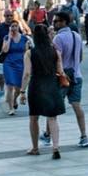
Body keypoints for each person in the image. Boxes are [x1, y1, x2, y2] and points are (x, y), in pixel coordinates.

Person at [20, 21, 66, 158]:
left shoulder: (29, 53)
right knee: (52, 118)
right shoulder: (55, 52)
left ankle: (35, 148)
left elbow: (27, 73)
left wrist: (22, 91)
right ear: (47, 36)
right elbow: (61, 71)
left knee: (34, 118)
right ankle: (56, 147)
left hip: (36, 86)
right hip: (52, 85)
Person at [50, 11, 88, 147]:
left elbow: (56, 60)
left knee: (53, 107)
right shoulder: (76, 36)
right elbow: (80, 57)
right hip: (77, 76)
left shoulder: (58, 39)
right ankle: (84, 135)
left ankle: (48, 134)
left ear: (64, 22)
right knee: (77, 106)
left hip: (62, 78)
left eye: (56, 21)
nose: (53, 23)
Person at [0, 14, 28, 115]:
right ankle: (11, 108)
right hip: (9, 64)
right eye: (12, 26)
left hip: (20, 64)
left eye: (16, 26)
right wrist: (10, 38)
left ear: (18, 27)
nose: (14, 28)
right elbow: (5, 50)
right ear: (10, 28)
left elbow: (26, 52)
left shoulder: (24, 38)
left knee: (18, 88)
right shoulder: (7, 37)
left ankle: (15, 99)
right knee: (10, 86)